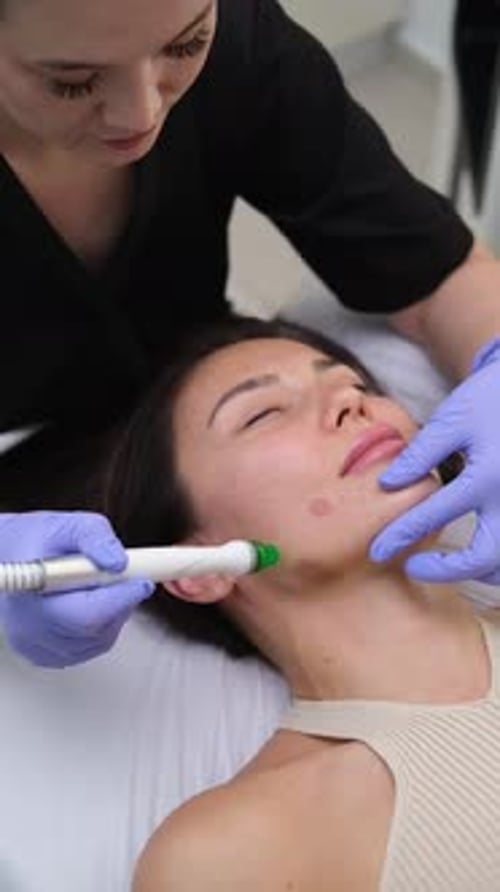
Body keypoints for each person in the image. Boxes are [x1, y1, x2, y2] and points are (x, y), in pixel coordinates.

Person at [0, 0, 500, 669]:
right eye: (74, 81)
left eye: (185, 44)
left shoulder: (244, 46)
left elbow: (437, 270)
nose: (141, 114)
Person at [86, 315, 500, 891]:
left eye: (359, 386)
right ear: (194, 567)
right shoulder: (239, 851)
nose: (349, 404)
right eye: (263, 414)